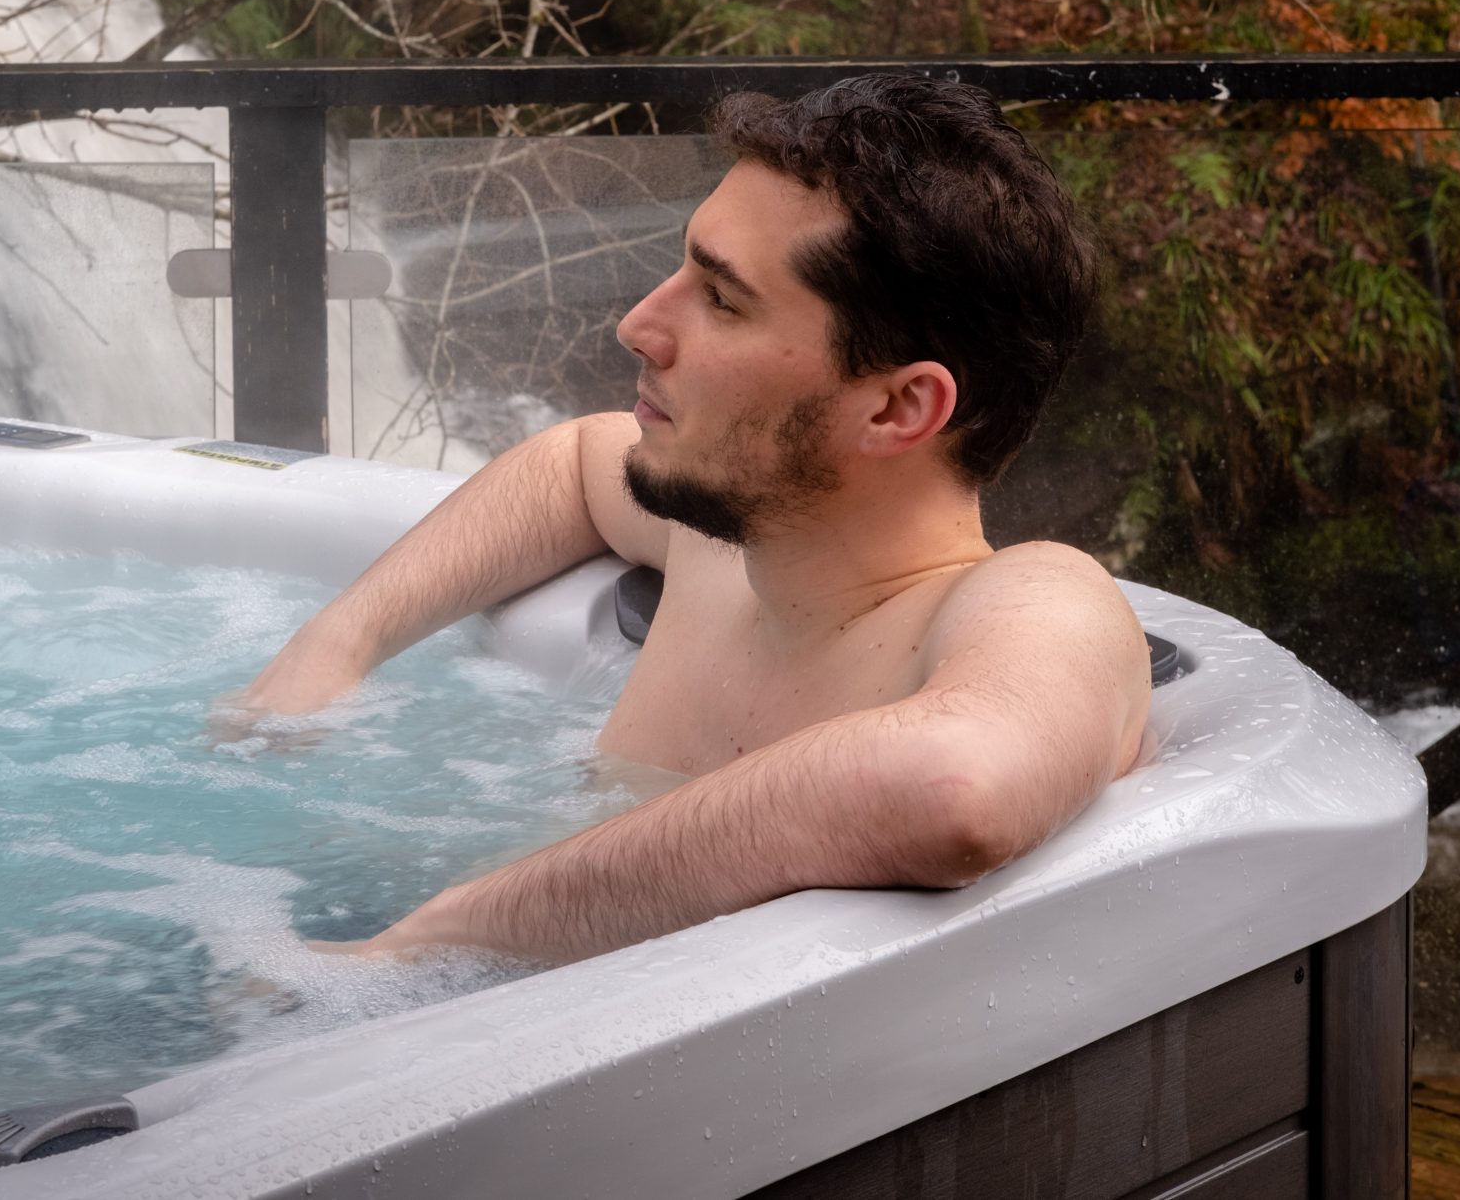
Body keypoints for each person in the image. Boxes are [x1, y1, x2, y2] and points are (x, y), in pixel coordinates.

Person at [231, 73, 1150, 964]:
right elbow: (572, 466)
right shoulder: (724, 545)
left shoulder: (1038, 600)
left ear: (898, 409)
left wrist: (451, 930)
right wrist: (339, 641)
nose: (639, 324)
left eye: (720, 298)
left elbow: (956, 786)